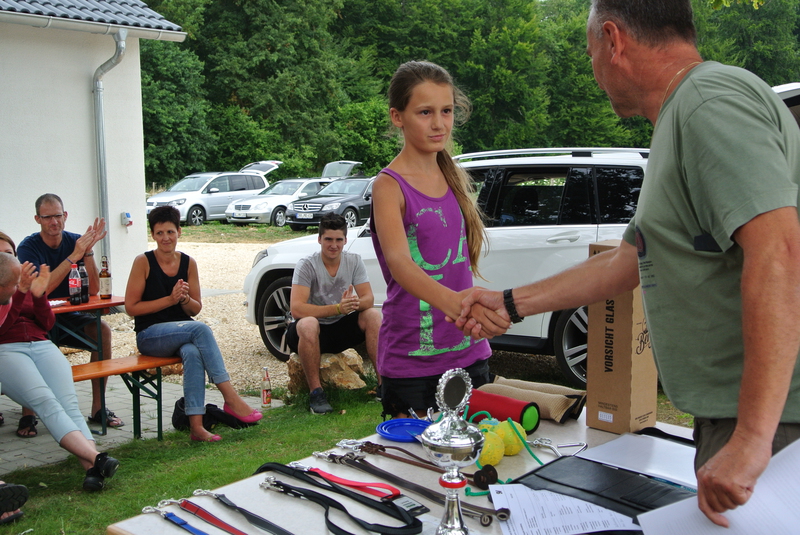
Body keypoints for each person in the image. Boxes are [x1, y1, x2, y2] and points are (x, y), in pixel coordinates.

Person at [455, 0, 800, 527]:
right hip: (743, 418)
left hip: (773, 427)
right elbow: (630, 258)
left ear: (613, 40)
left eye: (590, 51)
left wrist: (752, 438)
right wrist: (509, 302)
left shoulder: (708, 103)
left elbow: (779, 251)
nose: (593, 70)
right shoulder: (683, 115)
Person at [370, 60, 503, 419]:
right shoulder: (388, 186)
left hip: (470, 352)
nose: (439, 123)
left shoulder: (453, 175)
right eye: (425, 112)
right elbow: (400, 263)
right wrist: (460, 305)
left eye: (446, 111)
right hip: (413, 363)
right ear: (397, 117)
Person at [125, 206, 262, 442]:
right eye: (159, 233)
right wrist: (169, 300)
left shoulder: (189, 263)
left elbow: (195, 308)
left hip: (182, 334)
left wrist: (183, 299)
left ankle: (196, 427)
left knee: (192, 351)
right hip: (150, 336)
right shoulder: (143, 262)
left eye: (170, 232)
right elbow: (131, 307)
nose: (165, 238)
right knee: (200, 329)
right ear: (153, 235)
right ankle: (230, 397)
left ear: (179, 232)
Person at [0, 245, 120, 491]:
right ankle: (97, 458)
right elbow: (3, 327)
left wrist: (38, 296)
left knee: (69, 404)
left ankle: (92, 468)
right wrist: (21, 293)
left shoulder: (22, 285)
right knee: (46, 402)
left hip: (41, 343)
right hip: (7, 348)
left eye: (11, 253)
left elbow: (46, 324)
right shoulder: (10, 291)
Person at [16, 193, 123, 430]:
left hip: (68, 317)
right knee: (28, 341)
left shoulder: (77, 242)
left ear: (65, 215)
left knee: (102, 331)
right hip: (36, 319)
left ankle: (98, 408)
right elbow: (40, 289)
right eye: (47, 217)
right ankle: (28, 413)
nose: (54, 222)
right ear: (37, 219)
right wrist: (74, 255)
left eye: (58, 215)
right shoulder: (28, 247)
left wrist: (87, 252)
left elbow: (94, 289)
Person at [287, 213, 382, 414]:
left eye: (339, 240)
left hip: (339, 328)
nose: (334, 245)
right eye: (328, 239)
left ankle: (384, 385)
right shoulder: (307, 264)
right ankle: (316, 393)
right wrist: (337, 308)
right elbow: (296, 309)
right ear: (319, 239)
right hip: (310, 332)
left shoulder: (354, 261)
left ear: (345, 240)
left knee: (373, 315)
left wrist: (353, 304)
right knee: (308, 323)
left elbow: (368, 299)